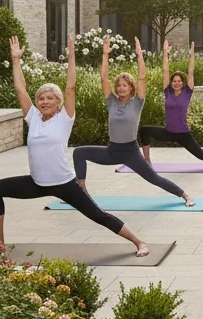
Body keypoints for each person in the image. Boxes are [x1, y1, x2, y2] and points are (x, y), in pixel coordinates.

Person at [0, 36, 149, 256]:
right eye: (41, 98)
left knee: (98, 215)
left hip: (64, 183)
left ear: (59, 102)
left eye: (50, 98)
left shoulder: (64, 119)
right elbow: (20, 89)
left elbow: (70, 87)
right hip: (36, 182)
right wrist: (16, 60)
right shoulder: (33, 117)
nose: (44, 101)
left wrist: (72, 57)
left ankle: (139, 242)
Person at [72, 35, 195, 207]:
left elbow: (142, 78)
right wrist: (105, 55)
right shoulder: (111, 101)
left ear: (131, 88)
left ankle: (185, 195)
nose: (121, 88)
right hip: (112, 150)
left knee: (155, 179)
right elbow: (103, 79)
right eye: (119, 85)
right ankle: (82, 189)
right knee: (79, 152)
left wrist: (140, 55)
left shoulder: (137, 103)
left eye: (125, 85)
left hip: (131, 152)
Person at [139, 41, 203, 170]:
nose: (176, 83)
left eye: (179, 81)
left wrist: (192, 53)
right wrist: (165, 53)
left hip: (183, 134)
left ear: (182, 82)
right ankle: (147, 161)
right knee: (144, 130)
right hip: (168, 132)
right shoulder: (168, 92)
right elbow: (165, 70)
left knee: (202, 155)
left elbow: (191, 71)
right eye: (174, 81)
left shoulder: (187, 92)